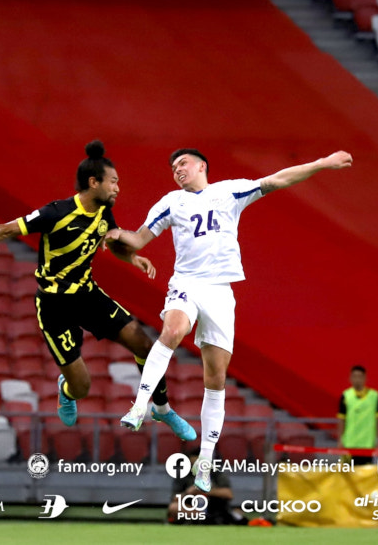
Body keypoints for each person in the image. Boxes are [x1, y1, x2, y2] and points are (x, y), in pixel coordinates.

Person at [111, 148, 353, 492]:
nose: (177, 170)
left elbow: (278, 180)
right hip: (187, 284)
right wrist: (115, 235)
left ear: (201, 166)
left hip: (220, 293)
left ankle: (206, 461)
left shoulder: (229, 191)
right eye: (173, 167)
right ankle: (139, 406)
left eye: (183, 163)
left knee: (216, 377)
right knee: (173, 330)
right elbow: (138, 239)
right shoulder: (171, 202)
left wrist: (321, 164)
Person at [0, 140, 196, 440]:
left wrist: (131, 257)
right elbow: (5, 229)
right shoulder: (56, 213)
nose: (118, 188)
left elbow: (108, 240)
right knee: (82, 387)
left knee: (145, 346)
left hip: (88, 296)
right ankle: (66, 391)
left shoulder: (104, 213)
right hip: (54, 306)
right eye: (113, 182)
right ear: (93, 183)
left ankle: (162, 409)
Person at [167, 450, 245, 525]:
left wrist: (206, 490)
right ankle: (205, 518)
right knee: (174, 507)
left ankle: (214, 518)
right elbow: (175, 499)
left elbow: (229, 494)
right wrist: (188, 492)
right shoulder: (184, 475)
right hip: (193, 508)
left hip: (215, 508)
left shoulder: (216, 473)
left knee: (237, 512)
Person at [337, 365, 378, 465]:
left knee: (365, 472)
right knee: (347, 471)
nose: (357, 379)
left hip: (367, 444)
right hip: (349, 443)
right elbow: (341, 419)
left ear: (365, 378)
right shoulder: (346, 396)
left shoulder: (374, 396)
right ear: (350, 378)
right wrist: (340, 439)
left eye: (360, 376)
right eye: (354, 376)